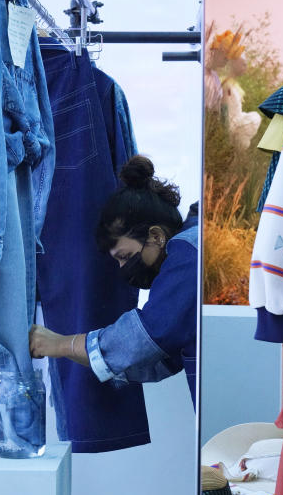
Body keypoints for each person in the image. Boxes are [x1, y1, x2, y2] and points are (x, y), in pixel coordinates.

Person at [29, 155, 198, 408]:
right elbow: (155, 360)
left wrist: (58, 343)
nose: (123, 269)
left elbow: (145, 338)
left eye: (125, 256)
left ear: (156, 236)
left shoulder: (188, 252)